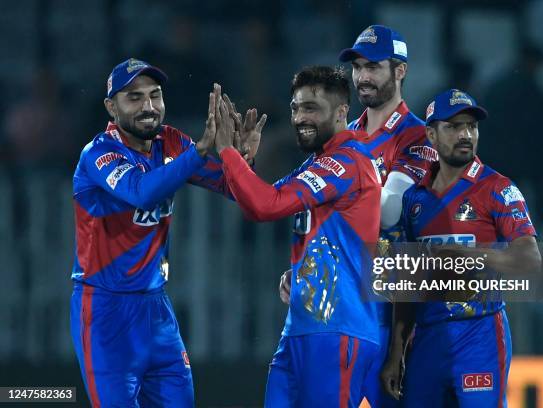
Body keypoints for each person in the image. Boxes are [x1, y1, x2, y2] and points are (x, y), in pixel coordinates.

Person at [70, 58, 264, 407]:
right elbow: (141, 190)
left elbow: (228, 188)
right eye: (134, 97)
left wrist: (239, 161)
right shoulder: (98, 153)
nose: (148, 106)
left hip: (157, 310)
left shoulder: (171, 142)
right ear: (111, 107)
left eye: (155, 95)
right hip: (104, 311)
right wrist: (202, 150)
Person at [278, 25, 436, 407]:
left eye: (374, 67)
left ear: (400, 71)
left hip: (394, 311)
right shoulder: (342, 134)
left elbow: (388, 210)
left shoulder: (418, 136)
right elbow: (308, 210)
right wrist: (303, 269)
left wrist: (345, 187)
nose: (363, 77)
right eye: (358, 67)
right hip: (342, 308)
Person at [213, 66, 381, 407]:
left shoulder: (347, 163)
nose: (300, 117)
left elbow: (265, 205)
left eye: (311, 108)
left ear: (341, 113)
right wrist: (245, 161)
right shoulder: (319, 162)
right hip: (301, 331)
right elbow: (256, 204)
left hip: (338, 330)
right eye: (295, 108)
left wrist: (227, 153)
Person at [381, 89, 542, 407]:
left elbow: (529, 258)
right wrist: (396, 351)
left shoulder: (497, 188)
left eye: (472, 126)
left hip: (479, 334)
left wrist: (467, 253)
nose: (466, 134)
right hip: (427, 338)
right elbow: (408, 283)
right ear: (431, 134)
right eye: (454, 127)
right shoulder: (413, 199)